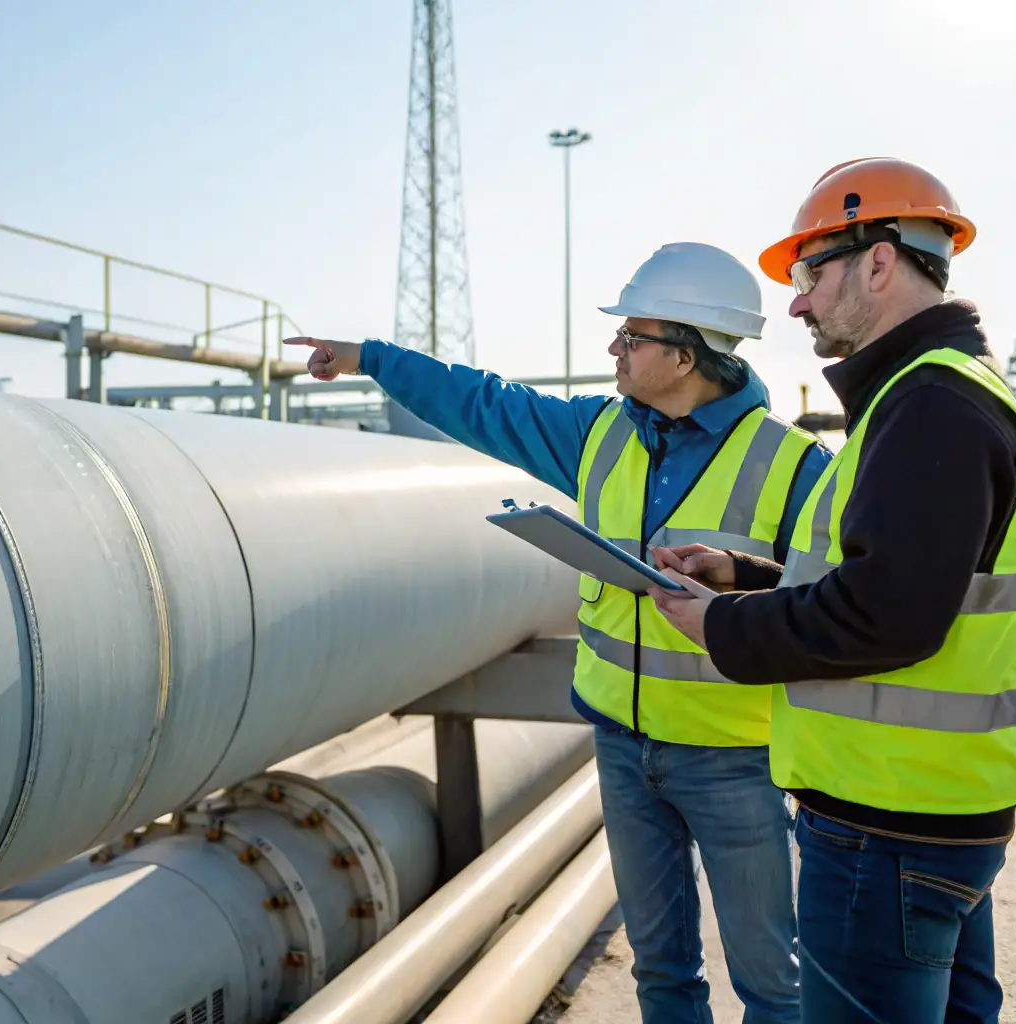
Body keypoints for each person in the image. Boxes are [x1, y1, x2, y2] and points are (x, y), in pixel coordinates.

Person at [286, 242, 834, 1024]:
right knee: (661, 971)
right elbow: (483, 403)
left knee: (771, 983)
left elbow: (829, 603)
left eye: (631, 336)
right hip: (618, 742)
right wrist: (373, 357)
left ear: (684, 355)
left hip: (735, 758)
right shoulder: (599, 435)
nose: (613, 348)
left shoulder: (794, 465)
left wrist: (737, 580)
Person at [649, 159, 1016, 1024]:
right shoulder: (927, 393)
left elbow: (885, 617)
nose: (795, 302)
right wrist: (743, 575)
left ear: (877, 260)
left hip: (886, 823)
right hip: (924, 809)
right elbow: (887, 576)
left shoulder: (931, 402)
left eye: (807, 271)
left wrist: (722, 627)